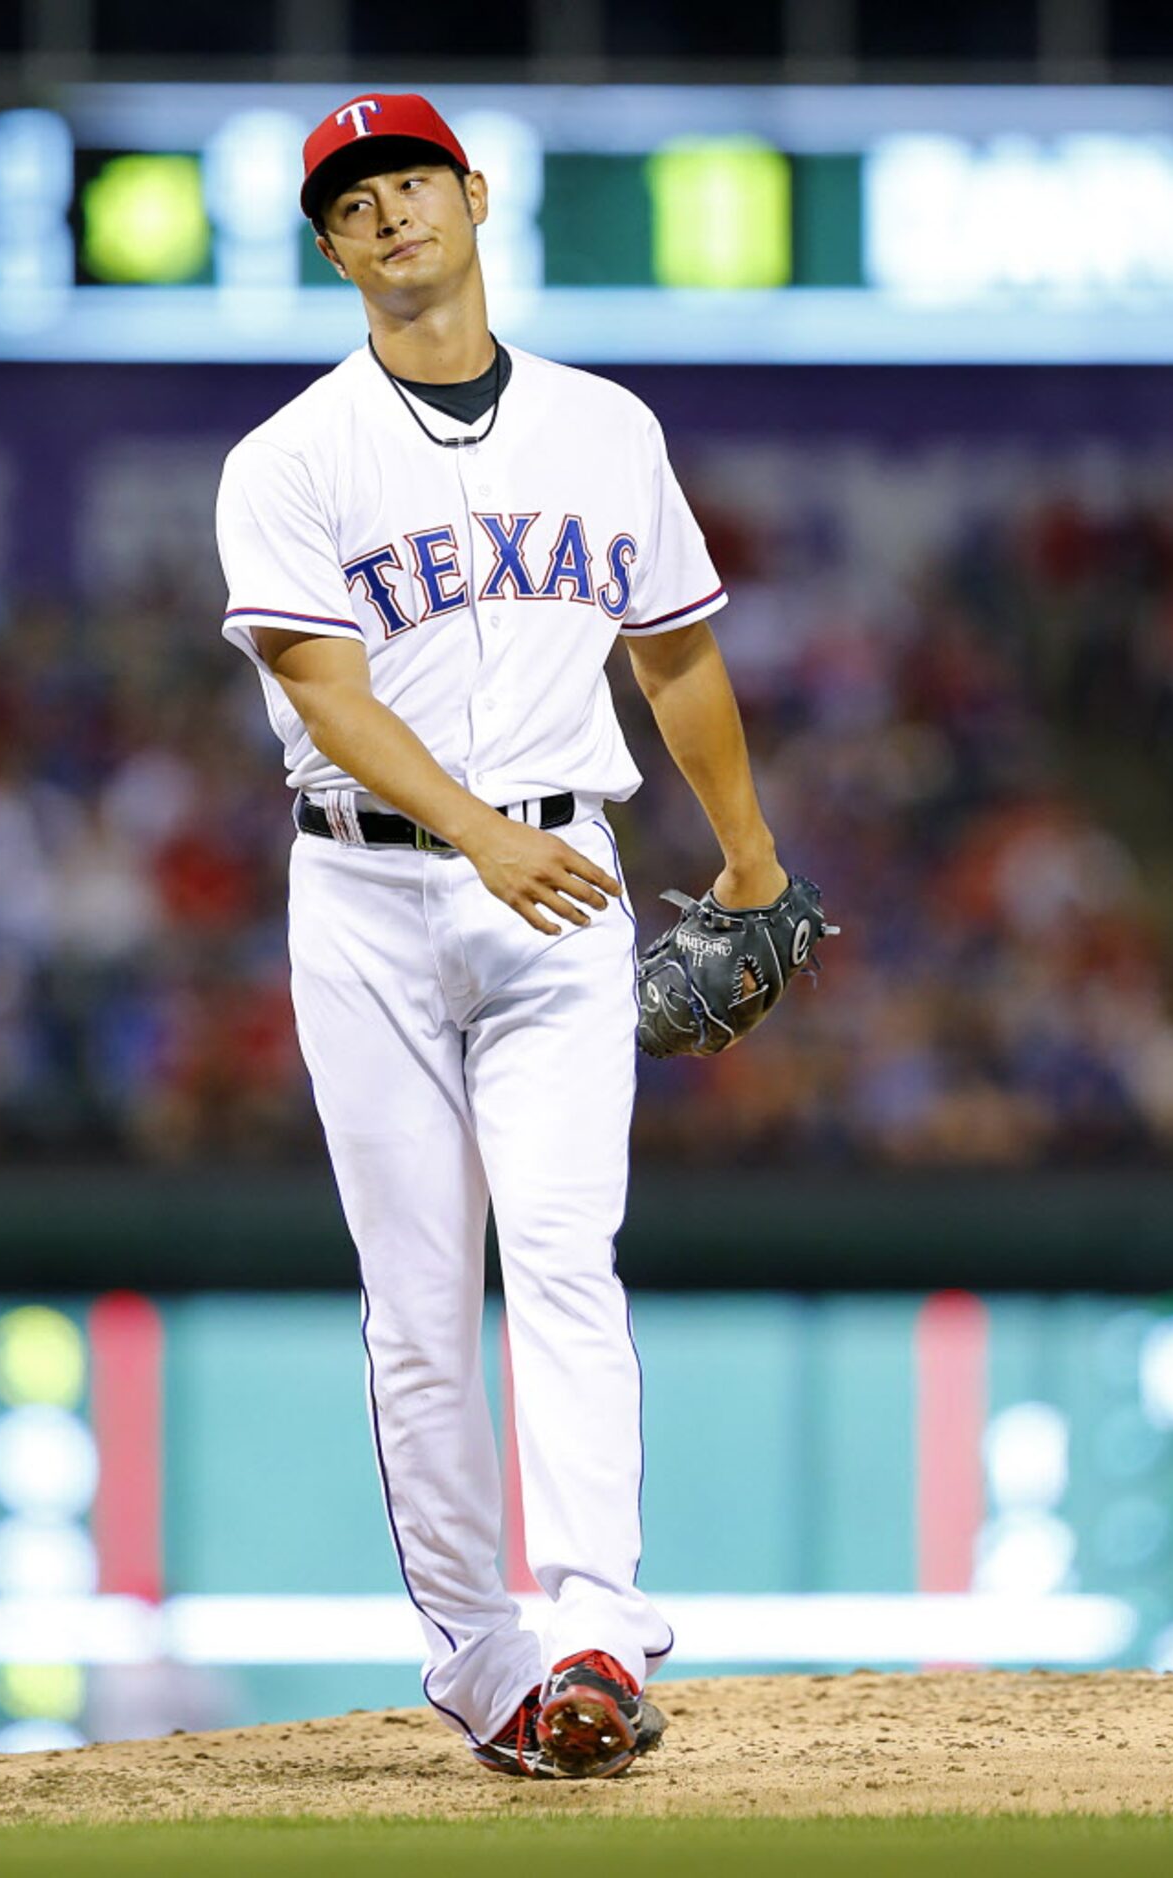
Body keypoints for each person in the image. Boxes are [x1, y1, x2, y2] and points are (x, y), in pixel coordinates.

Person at [215, 92, 789, 1780]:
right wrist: (479, 837)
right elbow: (323, 683)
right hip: (374, 889)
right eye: (353, 201)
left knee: (562, 1251)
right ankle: (482, 1657)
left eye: (409, 181)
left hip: (567, 875)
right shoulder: (292, 456)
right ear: (330, 248)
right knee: (416, 1295)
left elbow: (676, 658)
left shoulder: (607, 429)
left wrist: (751, 859)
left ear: (473, 197)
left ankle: (597, 1626)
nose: (388, 213)